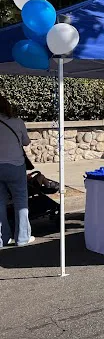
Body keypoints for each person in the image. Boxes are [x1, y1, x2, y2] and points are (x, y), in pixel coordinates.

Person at [0, 94, 33, 247]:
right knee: (21, 202)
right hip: (15, 166)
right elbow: (26, 142)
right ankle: (22, 238)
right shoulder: (17, 122)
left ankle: (2, 238)